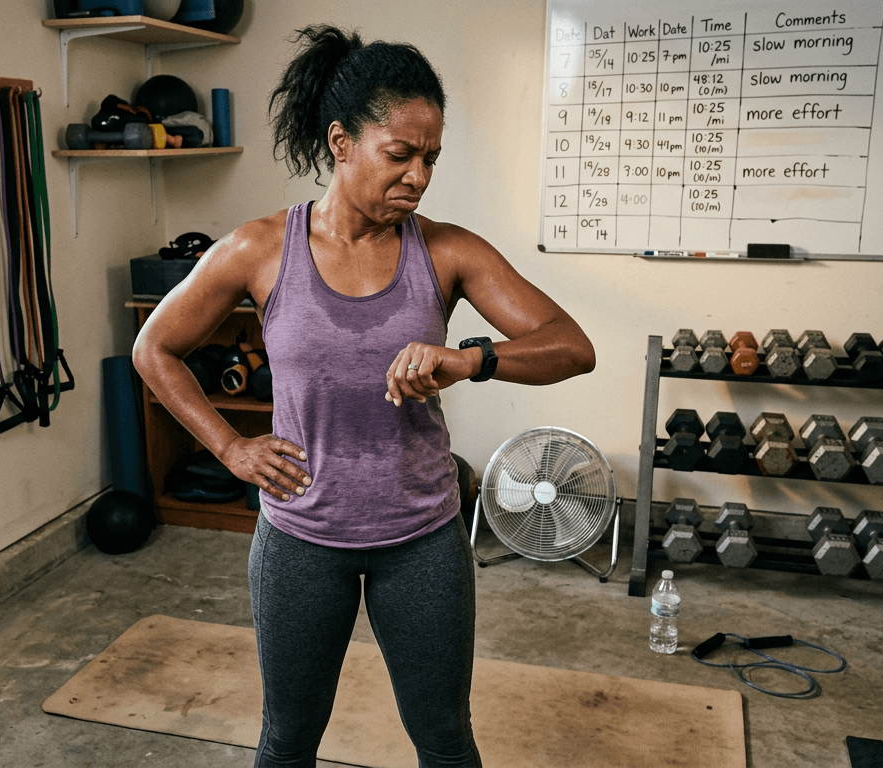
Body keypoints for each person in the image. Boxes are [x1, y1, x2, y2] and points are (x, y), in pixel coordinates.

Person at [132, 24, 596, 767]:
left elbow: (571, 345)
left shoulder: (447, 250)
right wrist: (230, 447)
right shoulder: (261, 248)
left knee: (444, 737)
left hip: (421, 539)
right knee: (288, 739)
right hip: (299, 537)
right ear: (342, 142)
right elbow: (153, 348)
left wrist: (468, 359)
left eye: (431, 158)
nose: (418, 176)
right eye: (400, 154)